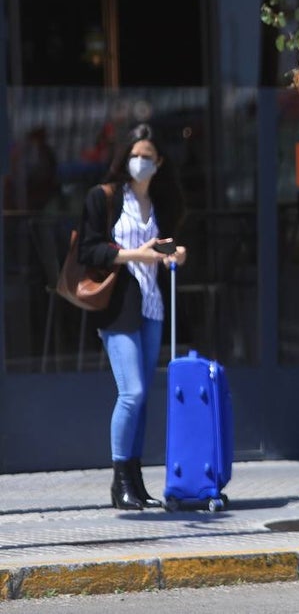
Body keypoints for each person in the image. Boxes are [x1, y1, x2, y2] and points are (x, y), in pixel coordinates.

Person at [78, 123, 187, 510]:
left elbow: (161, 246)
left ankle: (136, 483)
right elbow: (88, 251)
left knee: (142, 400)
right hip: (117, 307)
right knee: (133, 392)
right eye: (135, 155)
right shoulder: (104, 197)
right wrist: (132, 255)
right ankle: (120, 480)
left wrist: (175, 253)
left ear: (159, 163)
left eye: (147, 156)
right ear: (125, 159)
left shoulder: (160, 202)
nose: (140, 162)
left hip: (151, 305)